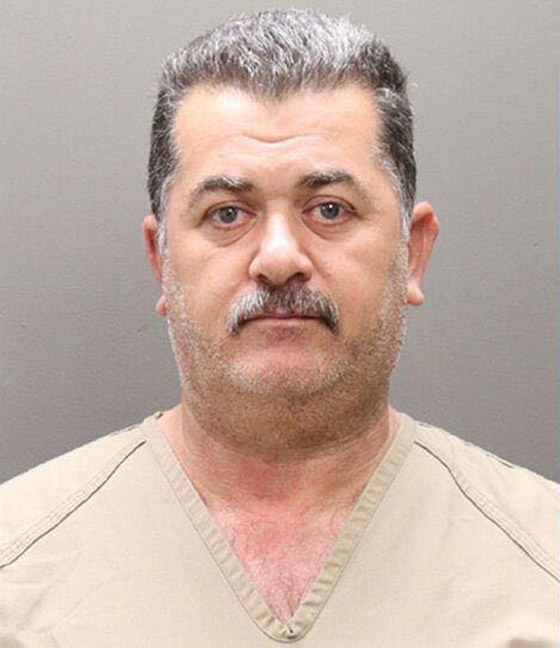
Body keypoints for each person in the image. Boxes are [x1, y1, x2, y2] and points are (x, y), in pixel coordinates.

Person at [1, 8, 557, 646]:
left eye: (330, 209)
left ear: (414, 252)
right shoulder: (17, 578)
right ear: (162, 261)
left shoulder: (541, 567)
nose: (278, 258)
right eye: (227, 213)